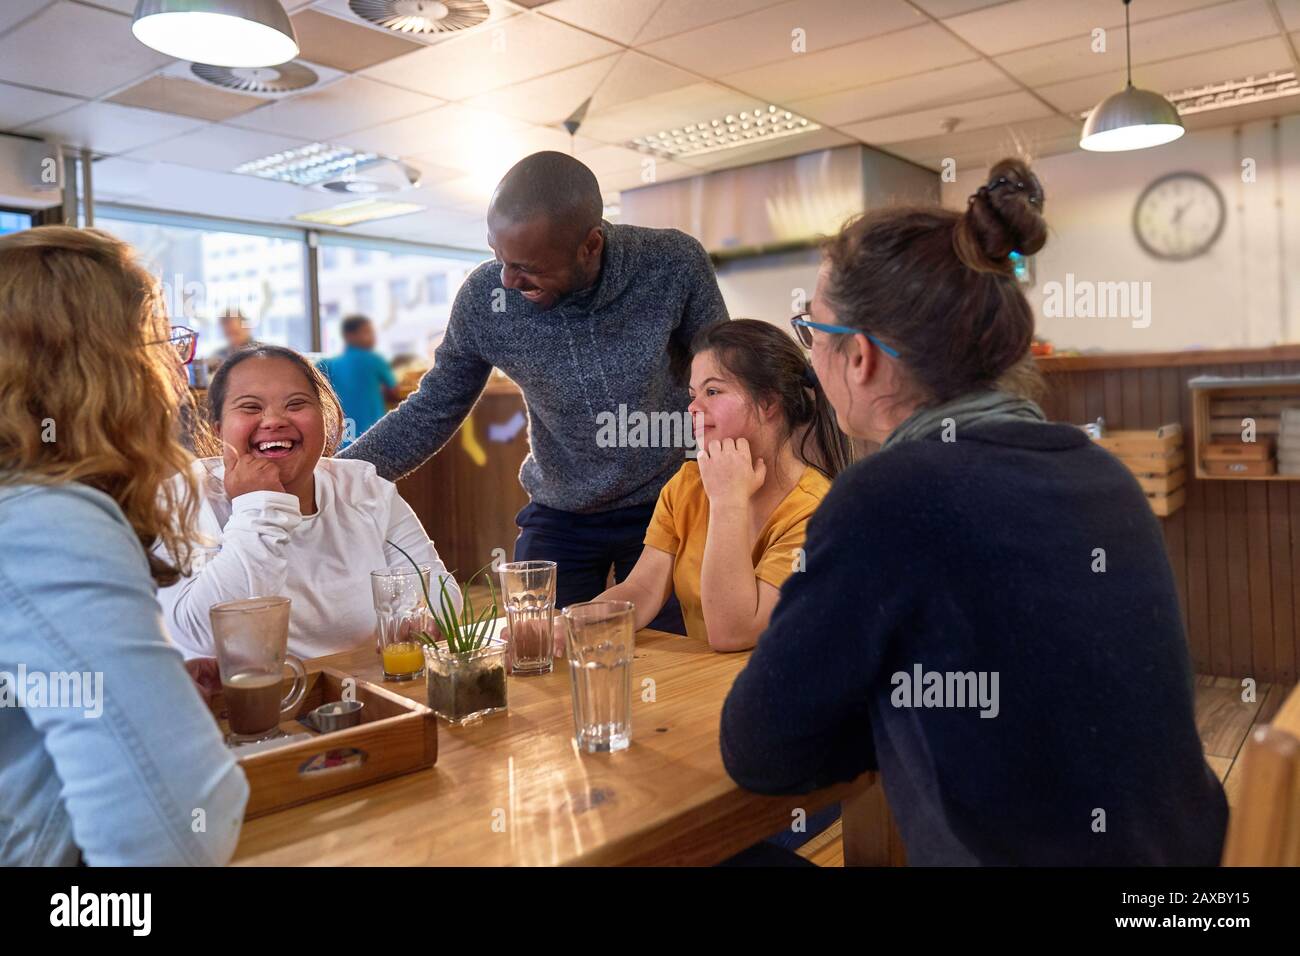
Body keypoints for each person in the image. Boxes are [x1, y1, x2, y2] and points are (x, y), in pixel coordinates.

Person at [719, 159, 1229, 865]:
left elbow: (759, 750)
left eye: (812, 331)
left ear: (861, 357)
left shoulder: (886, 498)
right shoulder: (1100, 472)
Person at [338, 151, 728, 631]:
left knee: (667, 655)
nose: (507, 279)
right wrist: (334, 479)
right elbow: (435, 405)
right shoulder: (486, 299)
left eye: (526, 267)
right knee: (535, 649)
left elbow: (723, 381)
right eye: (498, 256)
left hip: (666, 500)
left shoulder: (672, 265)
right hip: (560, 508)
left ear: (590, 245)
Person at [0, 226, 248, 865]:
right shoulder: (46, 523)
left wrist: (149, 696)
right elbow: (178, 827)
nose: (172, 374)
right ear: (104, 369)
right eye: (161, 345)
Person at [157, 345, 458, 660]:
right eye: (250, 407)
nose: (273, 420)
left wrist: (424, 622)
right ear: (219, 430)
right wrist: (260, 505)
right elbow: (205, 635)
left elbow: (438, 593)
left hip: (364, 694)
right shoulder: (185, 496)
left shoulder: (365, 489)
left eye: (296, 404)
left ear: (325, 419)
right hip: (248, 704)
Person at [585, 320, 850, 651]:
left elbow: (733, 633)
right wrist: (574, 623)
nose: (693, 408)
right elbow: (642, 589)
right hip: (707, 687)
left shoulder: (816, 511)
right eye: (693, 395)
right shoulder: (687, 485)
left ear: (769, 403)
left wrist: (728, 502)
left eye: (713, 392)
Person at [318, 314, 399, 449]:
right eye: (367, 332)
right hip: (373, 434)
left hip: (341, 437)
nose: (373, 338)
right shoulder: (374, 360)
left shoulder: (327, 364)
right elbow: (393, 391)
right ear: (349, 335)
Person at [205, 309, 258, 375]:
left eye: (235, 333)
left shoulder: (261, 353)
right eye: (228, 334)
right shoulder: (219, 354)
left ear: (247, 328)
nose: (232, 339)